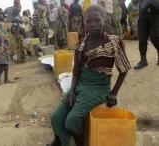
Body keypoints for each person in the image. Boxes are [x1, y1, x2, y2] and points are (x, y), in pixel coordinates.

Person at [49, 5, 131, 146]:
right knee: (56, 117)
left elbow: (123, 70)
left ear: (104, 21)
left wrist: (113, 93)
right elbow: (76, 72)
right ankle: (62, 141)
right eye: (88, 21)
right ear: (84, 23)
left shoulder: (113, 42)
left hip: (99, 88)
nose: (92, 24)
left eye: (97, 20)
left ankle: (84, 142)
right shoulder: (81, 44)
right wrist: (72, 91)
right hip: (80, 85)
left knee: (72, 121)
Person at [134, 0, 159, 69]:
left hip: (155, 13)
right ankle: (143, 60)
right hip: (143, 13)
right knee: (142, 38)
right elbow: (134, 2)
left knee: (155, 37)